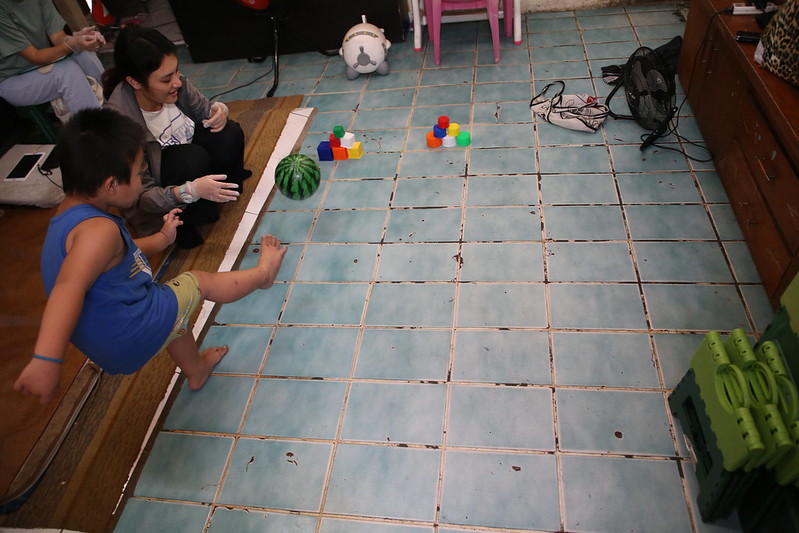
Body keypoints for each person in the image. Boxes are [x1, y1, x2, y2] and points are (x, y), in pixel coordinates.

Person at [13, 108, 286, 405]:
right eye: (137, 174)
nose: (143, 182)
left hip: (110, 343)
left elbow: (117, 257)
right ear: (111, 185)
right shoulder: (98, 233)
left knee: (172, 308)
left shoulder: (69, 217)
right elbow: (68, 288)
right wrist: (46, 359)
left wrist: (161, 238)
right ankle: (263, 275)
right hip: (132, 333)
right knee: (197, 281)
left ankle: (196, 370)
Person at [103, 26, 251, 249]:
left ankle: (223, 187)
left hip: (192, 161)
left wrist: (218, 113)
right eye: (166, 79)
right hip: (169, 184)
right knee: (191, 158)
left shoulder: (176, 83)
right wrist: (188, 191)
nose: (177, 82)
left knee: (228, 132)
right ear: (135, 82)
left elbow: (204, 111)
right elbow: (140, 198)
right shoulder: (118, 125)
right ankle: (182, 223)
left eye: (176, 71)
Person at [0, 0, 104, 117]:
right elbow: (35, 56)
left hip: (43, 64)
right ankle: (96, 128)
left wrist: (81, 40)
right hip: (12, 79)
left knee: (84, 55)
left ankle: (111, 107)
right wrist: (72, 45)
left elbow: (58, 37)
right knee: (66, 72)